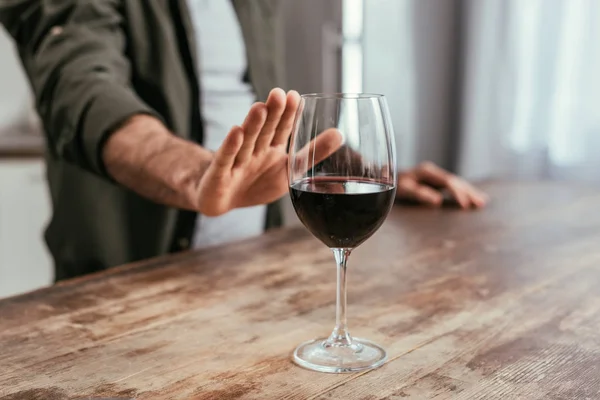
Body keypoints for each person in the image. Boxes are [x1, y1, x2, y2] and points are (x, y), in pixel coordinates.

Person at [0, 0, 487, 281]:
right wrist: (192, 174)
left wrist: (366, 176)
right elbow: (82, 85)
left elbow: (265, 114)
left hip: (253, 269)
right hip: (129, 282)